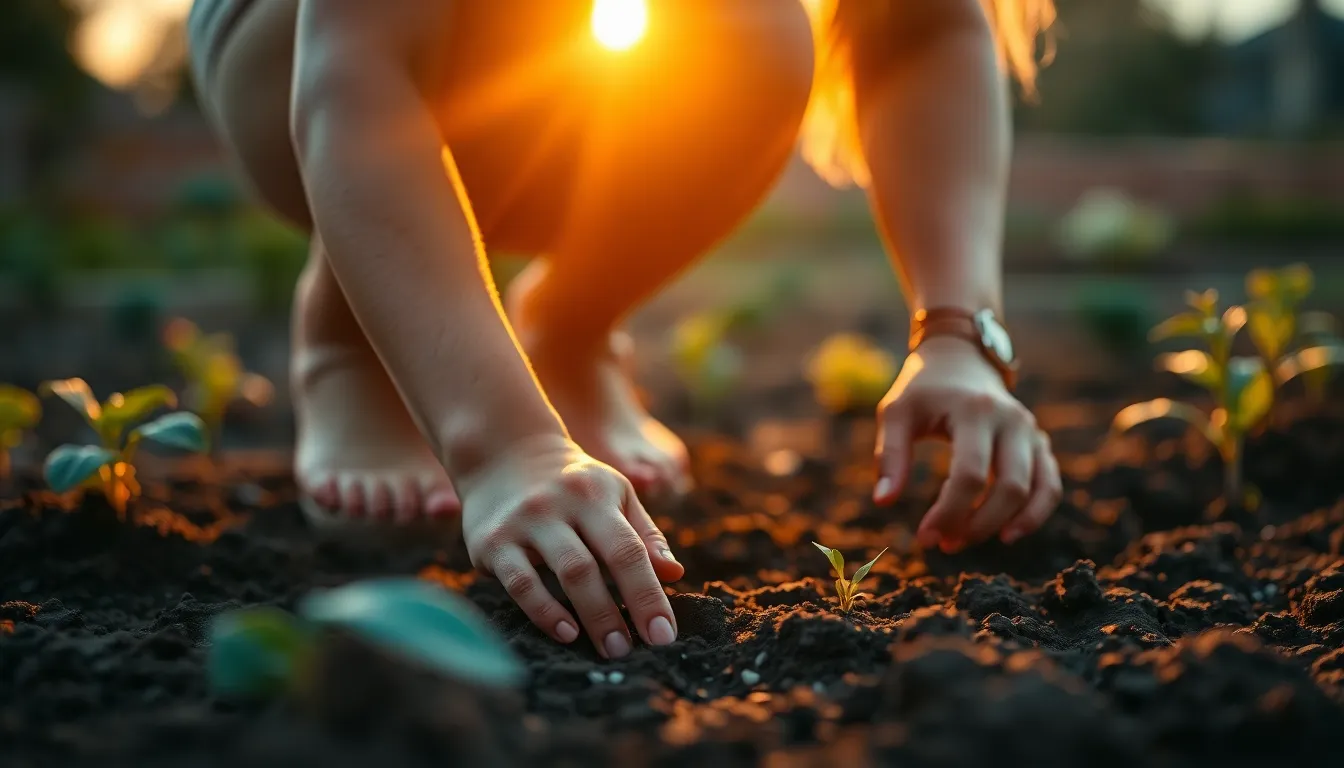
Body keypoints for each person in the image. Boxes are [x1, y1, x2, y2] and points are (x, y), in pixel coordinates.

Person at [186, 0, 1062, 659]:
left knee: (750, 28)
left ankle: (569, 329)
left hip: (579, 76)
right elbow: (353, 78)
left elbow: (923, 28)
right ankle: (346, 336)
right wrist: (505, 448)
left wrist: (957, 336)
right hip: (289, 55)